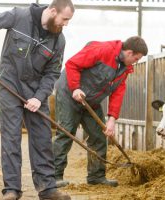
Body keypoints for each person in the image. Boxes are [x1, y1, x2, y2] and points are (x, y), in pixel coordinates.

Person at [0, 1, 74, 199]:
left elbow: (52, 73)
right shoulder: (19, 16)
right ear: (53, 11)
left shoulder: (59, 41)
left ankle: (47, 188)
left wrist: (39, 98)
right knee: (11, 137)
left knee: (42, 138)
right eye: (64, 19)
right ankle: (12, 189)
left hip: (35, 91)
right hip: (10, 85)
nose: (66, 24)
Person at [53, 36, 148, 187]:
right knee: (66, 131)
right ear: (129, 52)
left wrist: (111, 119)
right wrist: (75, 87)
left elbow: (118, 93)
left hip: (91, 100)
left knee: (99, 135)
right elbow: (72, 64)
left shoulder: (125, 69)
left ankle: (96, 177)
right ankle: (54, 176)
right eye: (136, 58)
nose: (135, 62)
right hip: (70, 93)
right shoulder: (103, 50)